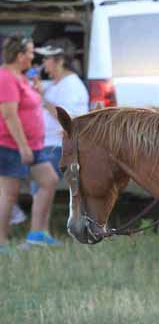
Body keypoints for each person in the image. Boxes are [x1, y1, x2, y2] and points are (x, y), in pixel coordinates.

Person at [0, 34, 60, 253]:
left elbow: (31, 105)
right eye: (31, 52)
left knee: (49, 180)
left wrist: (36, 90)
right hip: (12, 146)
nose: (33, 56)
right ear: (20, 56)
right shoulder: (6, 77)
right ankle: (1, 242)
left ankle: (36, 235)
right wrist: (23, 146)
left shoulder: (22, 77)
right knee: (9, 194)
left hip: (33, 145)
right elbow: (9, 115)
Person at [30, 39, 89, 224]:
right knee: (39, 187)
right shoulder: (55, 83)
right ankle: (39, 229)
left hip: (56, 145)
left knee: (41, 187)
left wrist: (42, 100)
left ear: (60, 61)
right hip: (44, 142)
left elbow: (68, 120)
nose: (42, 63)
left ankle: (39, 230)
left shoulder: (71, 85)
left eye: (47, 58)